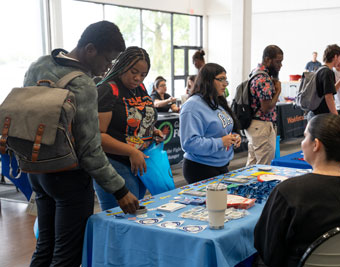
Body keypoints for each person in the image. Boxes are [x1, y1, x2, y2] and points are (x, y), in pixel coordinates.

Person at [23, 21, 139, 267]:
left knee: (45, 246)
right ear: (90, 49)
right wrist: (120, 190)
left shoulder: (40, 64)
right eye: (108, 60)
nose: (108, 68)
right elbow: (90, 149)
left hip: (36, 168)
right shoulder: (84, 84)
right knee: (67, 254)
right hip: (68, 176)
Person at [254, 113, 340, 267]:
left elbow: (268, 251)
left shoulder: (288, 192)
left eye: (304, 137)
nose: (302, 143)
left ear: (316, 144)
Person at [95, 46, 164, 211]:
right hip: (115, 163)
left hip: (140, 161)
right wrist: (131, 151)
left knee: (135, 214)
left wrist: (150, 130)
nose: (137, 78)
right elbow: (97, 137)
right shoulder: (107, 89)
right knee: (122, 218)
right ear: (122, 65)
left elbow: (137, 118)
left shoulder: (139, 89)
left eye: (143, 75)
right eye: (134, 72)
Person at [179, 63, 241, 184]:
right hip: (200, 168)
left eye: (226, 79)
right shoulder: (192, 106)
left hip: (221, 165)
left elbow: (225, 129)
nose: (225, 84)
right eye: (221, 79)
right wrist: (221, 142)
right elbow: (189, 143)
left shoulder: (217, 101)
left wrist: (234, 136)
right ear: (208, 81)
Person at [244, 45, 283, 166]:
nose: (280, 65)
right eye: (277, 62)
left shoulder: (255, 72)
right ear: (267, 60)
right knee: (264, 166)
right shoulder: (263, 79)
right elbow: (266, 108)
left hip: (254, 125)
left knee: (252, 164)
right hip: (262, 126)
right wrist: (278, 91)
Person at [308, 44, 340, 118]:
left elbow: (331, 90)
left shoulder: (320, 69)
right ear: (335, 56)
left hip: (314, 113)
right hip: (321, 115)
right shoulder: (328, 72)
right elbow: (329, 96)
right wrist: (336, 116)